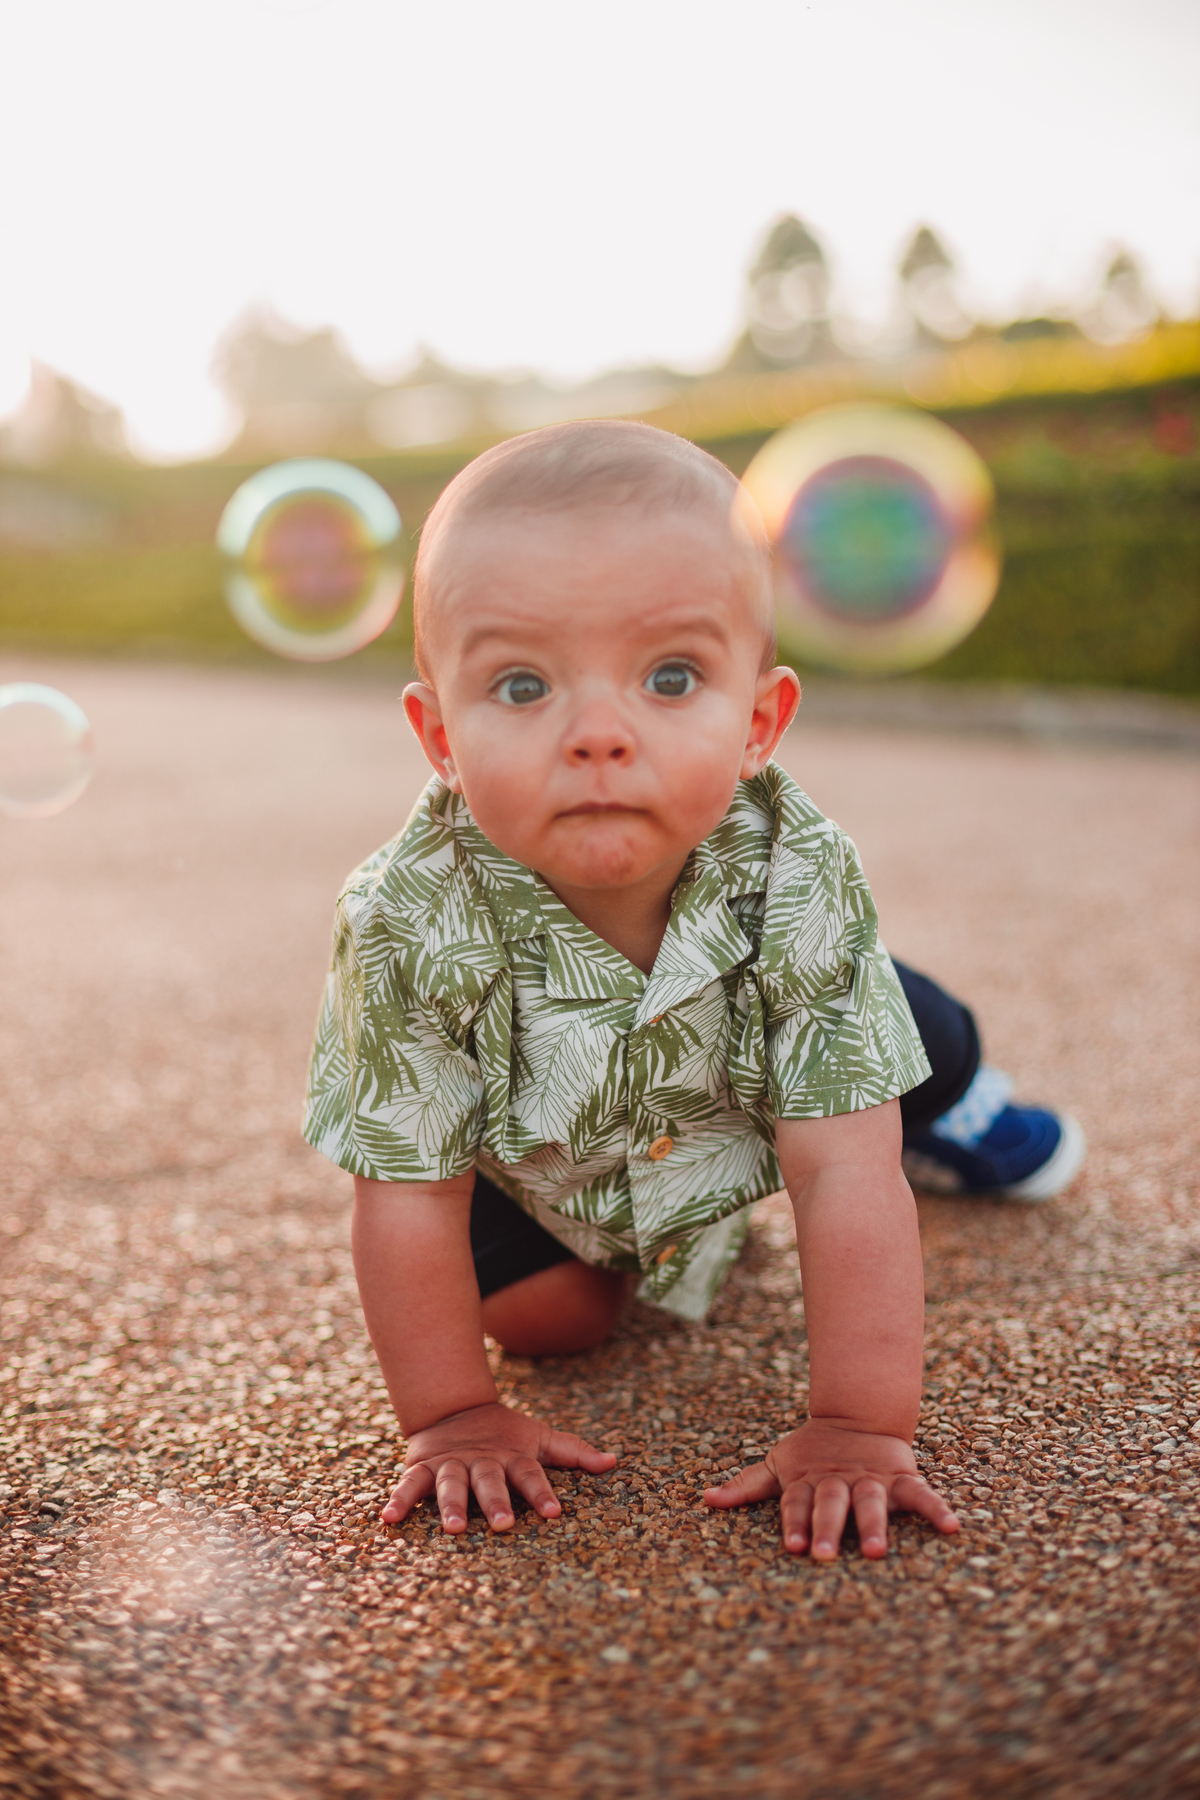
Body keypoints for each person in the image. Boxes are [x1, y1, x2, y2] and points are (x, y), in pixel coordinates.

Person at [303, 420, 1084, 1560]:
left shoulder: (797, 871)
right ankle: (685, 1232)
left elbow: (840, 1175)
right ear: (439, 738)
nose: (601, 736)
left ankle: (959, 1108)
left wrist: (860, 1428)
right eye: (522, 685)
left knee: (909, 1046)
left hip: (785, 1046)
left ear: (761, 720)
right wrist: (452, 1415)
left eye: (671, 678)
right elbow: (408, 1195)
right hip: (557, 1148)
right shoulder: (405, 915)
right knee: (548, 1322)